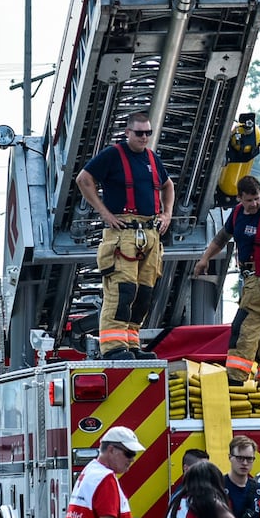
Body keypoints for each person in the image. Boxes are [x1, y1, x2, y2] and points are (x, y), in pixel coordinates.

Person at [76, 111, 176, 359]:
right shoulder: (113, 155)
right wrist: (105, 214)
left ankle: (131, 344)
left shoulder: (152, 159)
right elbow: (84, 179)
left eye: (148, 133)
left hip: (150, 235)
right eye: (140, 133)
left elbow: (168, 185)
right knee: (122, 291)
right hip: (124, 235)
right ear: (127, 132)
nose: (145, 137)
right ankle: (112, 347)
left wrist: (167, 214)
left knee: (143, 294)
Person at [191, 174, 260, 386]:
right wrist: (204, 259)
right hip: (252, 279)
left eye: (257, 198)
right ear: (240, 198)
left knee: (244, 326)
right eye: (249, 200)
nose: (254, 203)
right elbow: (222, 237)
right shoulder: (238, 213)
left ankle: (235, 378)